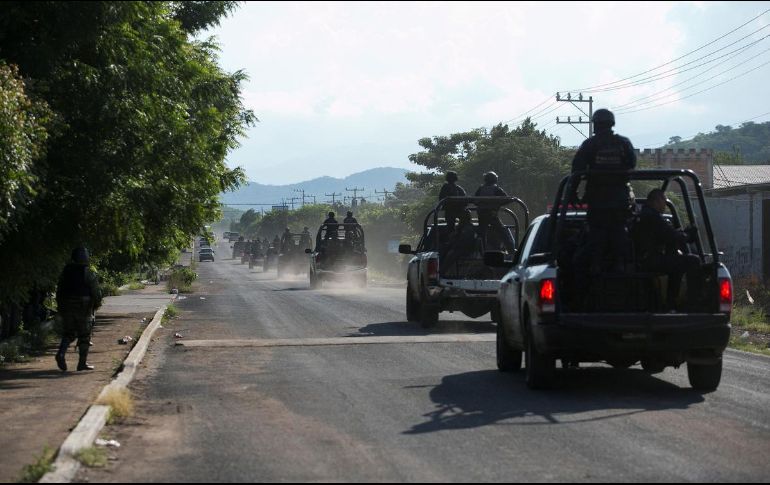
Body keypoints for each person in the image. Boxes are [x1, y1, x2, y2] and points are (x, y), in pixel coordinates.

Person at [571, 109, 636, 273]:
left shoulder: (590, 145)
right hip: (620, 201)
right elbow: (632, 164)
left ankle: (596, 265)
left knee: (597, 233)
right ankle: (620, 264)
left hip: (597, 201)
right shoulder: (623, 143)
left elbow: (576, 170)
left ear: (596, 125)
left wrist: (572, 193)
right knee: (619, 230)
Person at [636, 189, 701, 311]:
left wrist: (682, 234)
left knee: (676, 263)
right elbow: (671, 235)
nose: (665, 204)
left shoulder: (646, 214)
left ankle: (672, 302)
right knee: (693, 261)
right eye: (664, 201)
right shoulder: (652, 216)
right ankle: (693, 302)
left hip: (647, 259)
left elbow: (668, 234)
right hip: (650, 260)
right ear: (657, 200)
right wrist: (686, 235)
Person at [55, 248, 102, 372]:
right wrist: (96, 304)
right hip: (83, 307)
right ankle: (82, 363)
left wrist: (60, 307)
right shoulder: (88, 273)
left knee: (69, 333)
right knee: (84, 335)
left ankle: (61, 353)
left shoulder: (66, 272)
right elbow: (95, 292)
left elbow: (59, 291)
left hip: (66, 305)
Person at [474, 171, 515, 253]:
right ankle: (511, 250)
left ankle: (480, 251)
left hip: (481, 214)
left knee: (482, 233)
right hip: (491, 214)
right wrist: (497, 204)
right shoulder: (496, 189)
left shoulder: (481, 188)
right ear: (494, 179)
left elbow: (475, 200)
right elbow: (506, 199)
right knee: (503, 231)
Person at [443, 210, 479, 275]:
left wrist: (454, 243)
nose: (460, 219)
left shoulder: (468, 228)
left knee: (450, 255)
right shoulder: (461, 227)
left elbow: (464, 241)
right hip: (461, 247)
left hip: (465, 249)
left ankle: (442, 272)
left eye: (462, 217)